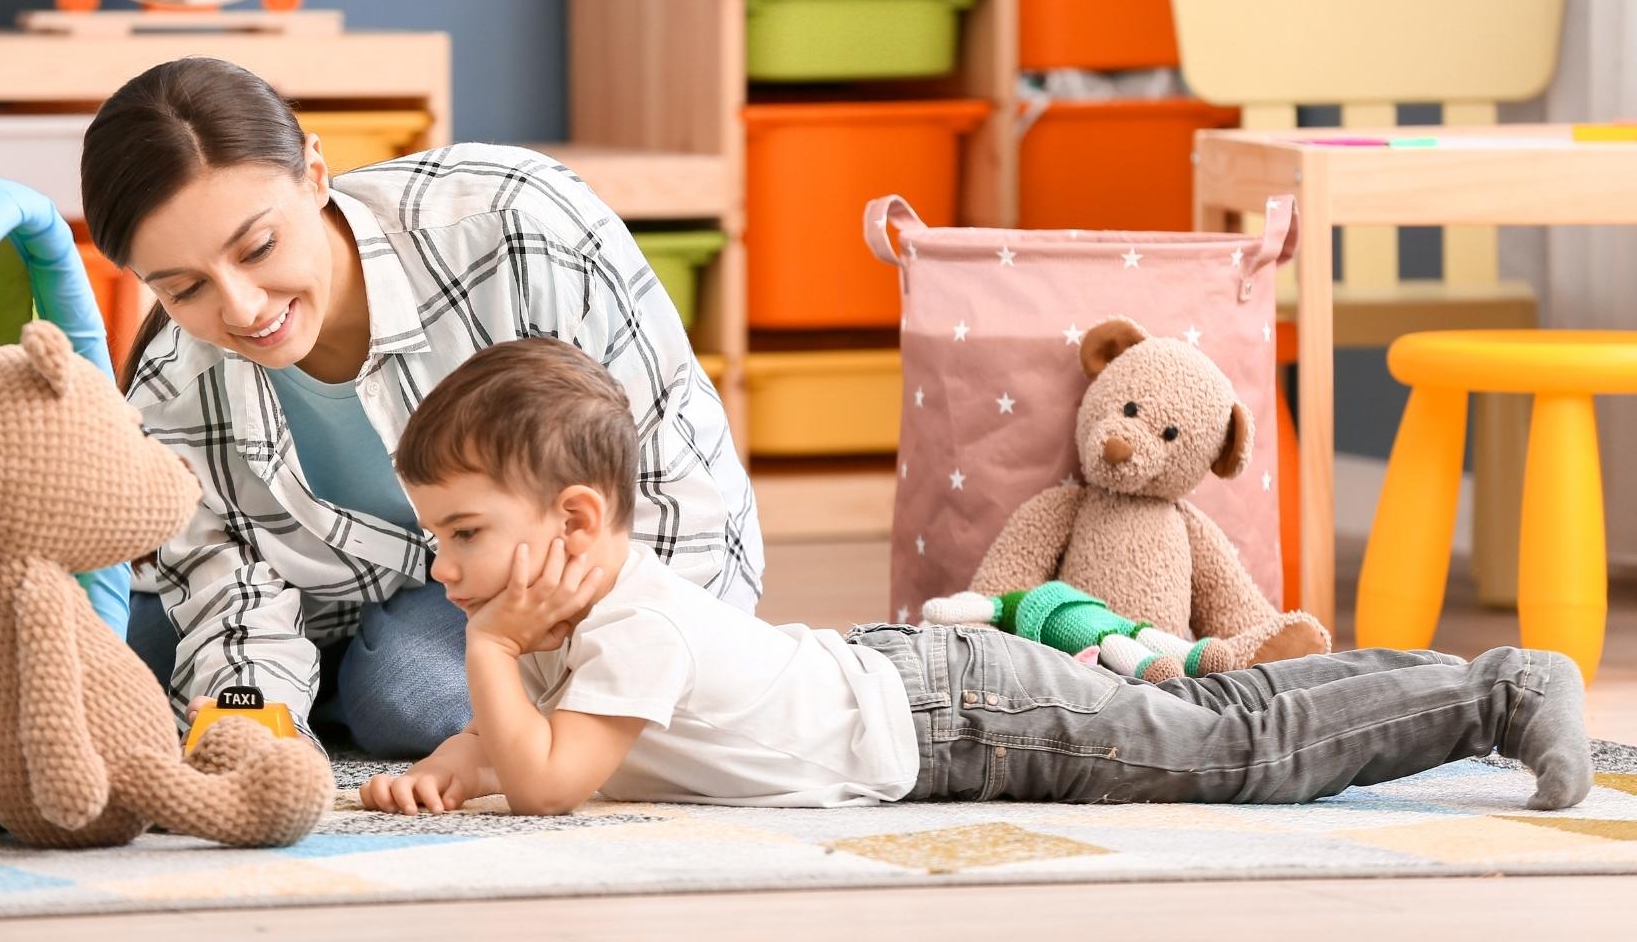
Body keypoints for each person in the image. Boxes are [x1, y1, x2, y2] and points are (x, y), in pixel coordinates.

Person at [362, 337, 1593, 816]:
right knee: (1218, 719)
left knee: (1239, 759)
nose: (442, 563)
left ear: (575, 518)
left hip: (965, 721)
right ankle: (1449, 685)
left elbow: (553, 784)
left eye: (463, 531)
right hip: (922, 686)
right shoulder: (582, 617)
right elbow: (519, 748)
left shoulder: (629, 626)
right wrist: (442, 769)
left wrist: (482, 666)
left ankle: (1495, 690)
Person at [79, 57, 762, 759]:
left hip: (534, 575)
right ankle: (339, 686)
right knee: (116, 658)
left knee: (410, 690)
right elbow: (235, 593)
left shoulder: (520, 229)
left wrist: (631, 667)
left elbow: (667, 491)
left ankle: (363, 684)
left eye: (258, 247)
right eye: (185, 290)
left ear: (314, 173)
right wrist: (258, 734)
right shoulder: (172, 385)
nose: (243, 308)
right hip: (324, 598)